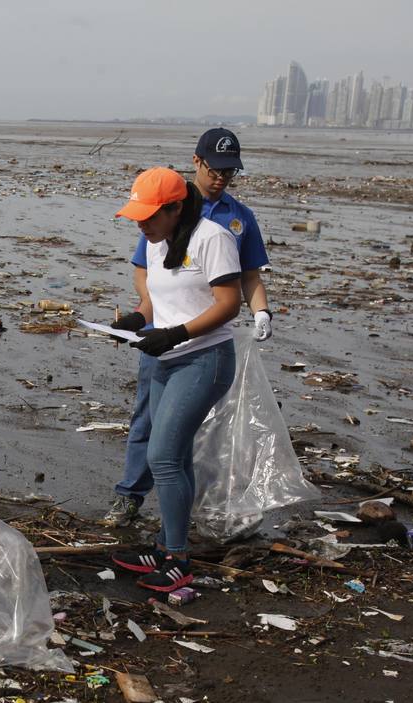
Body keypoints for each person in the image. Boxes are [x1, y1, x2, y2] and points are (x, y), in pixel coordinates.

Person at [104, 128, 272, 528]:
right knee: (151, 428)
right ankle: (136, 499)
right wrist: (140, 318)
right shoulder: (157, 220)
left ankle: (176, 539)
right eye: (215, 168)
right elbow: (150, 282)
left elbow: (242, 283)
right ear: (197, 162)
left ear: (173, 211)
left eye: (229, 171)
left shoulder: (229, 223)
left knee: (171, 448)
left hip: (197, 350)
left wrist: (262, 311)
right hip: (161, 346)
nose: (222, 177)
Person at [107, 169, 240, 591]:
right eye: (138, 217)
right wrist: (137, 319)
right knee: (174, 456)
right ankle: (165, 545)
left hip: (204, 359)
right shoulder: (155, 241)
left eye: (149, 216)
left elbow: (229, 304)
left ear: (176, 207)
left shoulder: (212, 239)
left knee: (162, 457)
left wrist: (177, 334)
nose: (141, 224)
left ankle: (178, 560)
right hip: (167, 358)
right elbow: (155, 300)